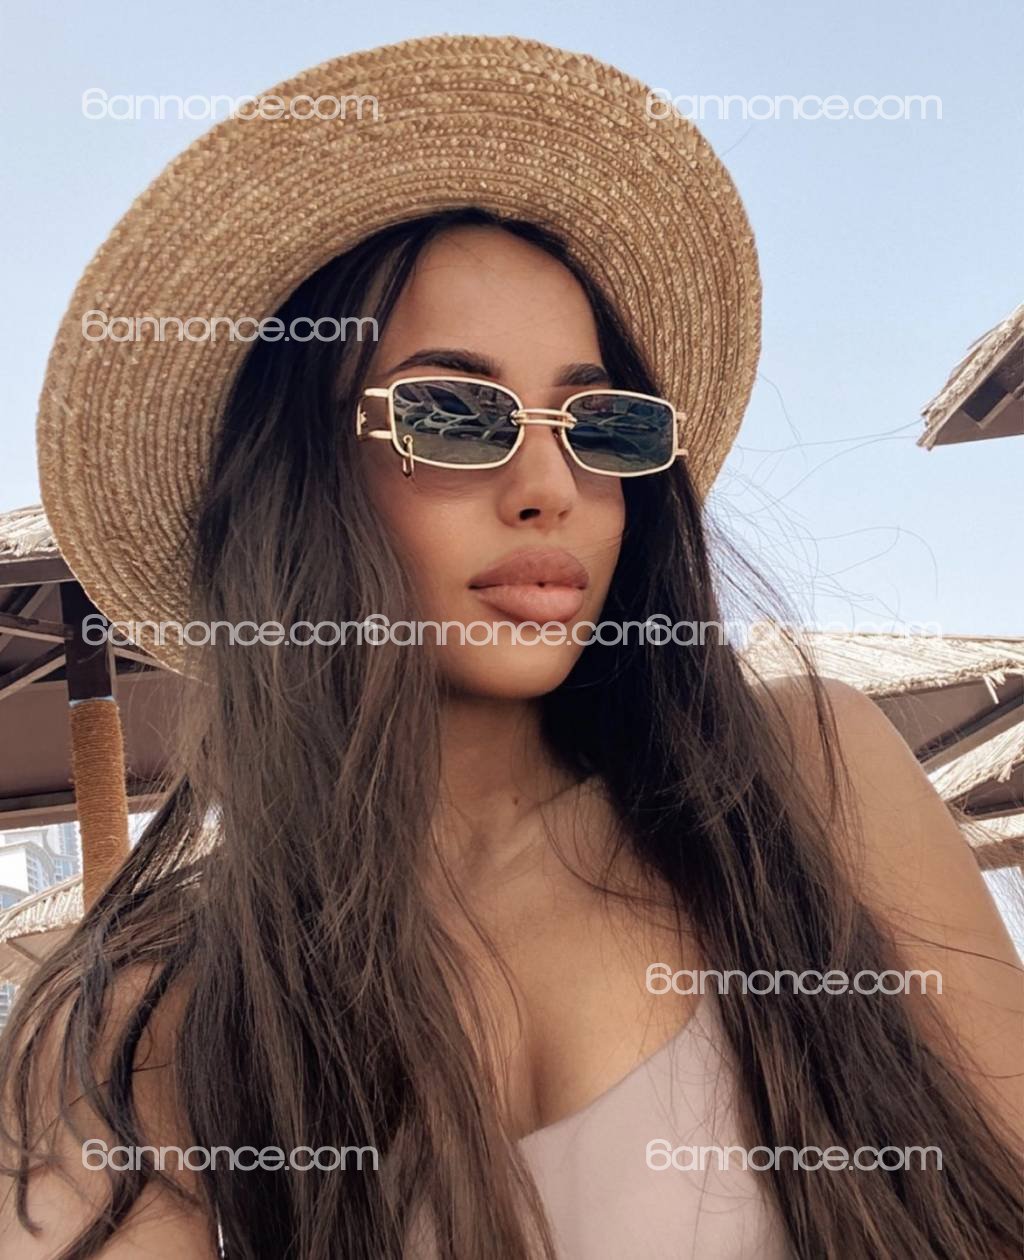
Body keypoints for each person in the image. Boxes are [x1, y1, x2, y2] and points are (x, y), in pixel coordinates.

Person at [1, 34, 1020, 1260]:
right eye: (451, 413)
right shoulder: (141, 1022)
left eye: (601, 424)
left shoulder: (805, 780)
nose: (550, 484)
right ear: (293, 485)